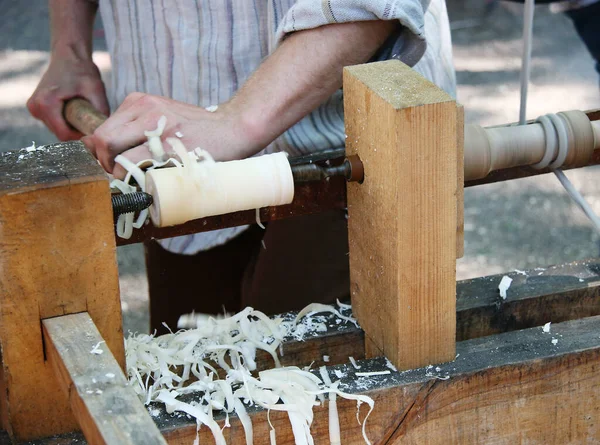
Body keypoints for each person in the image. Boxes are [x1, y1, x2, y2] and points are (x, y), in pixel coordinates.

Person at [28, 0, 456, 333]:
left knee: (316, 397)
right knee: (194, 391)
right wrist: (69, 48)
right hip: (167, 152)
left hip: (348, 146)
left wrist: (240, 119)